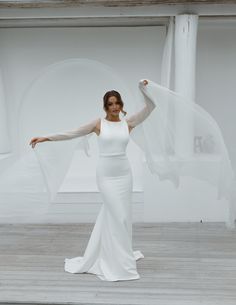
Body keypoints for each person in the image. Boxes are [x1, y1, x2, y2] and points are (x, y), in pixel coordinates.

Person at [29, 79, 157, 281]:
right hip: (106, 175)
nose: (114, 107)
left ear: (121, 105)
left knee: (121, 217)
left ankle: (119, 255)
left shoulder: (128, 123)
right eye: (110, 104)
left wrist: (143, 89)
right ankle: (117, 261)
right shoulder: (98, 124)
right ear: (105, 106)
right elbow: (71, 133)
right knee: (117, 215)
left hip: (124, 174)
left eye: (117, 103)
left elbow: (151, 107)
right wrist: (46, 137)